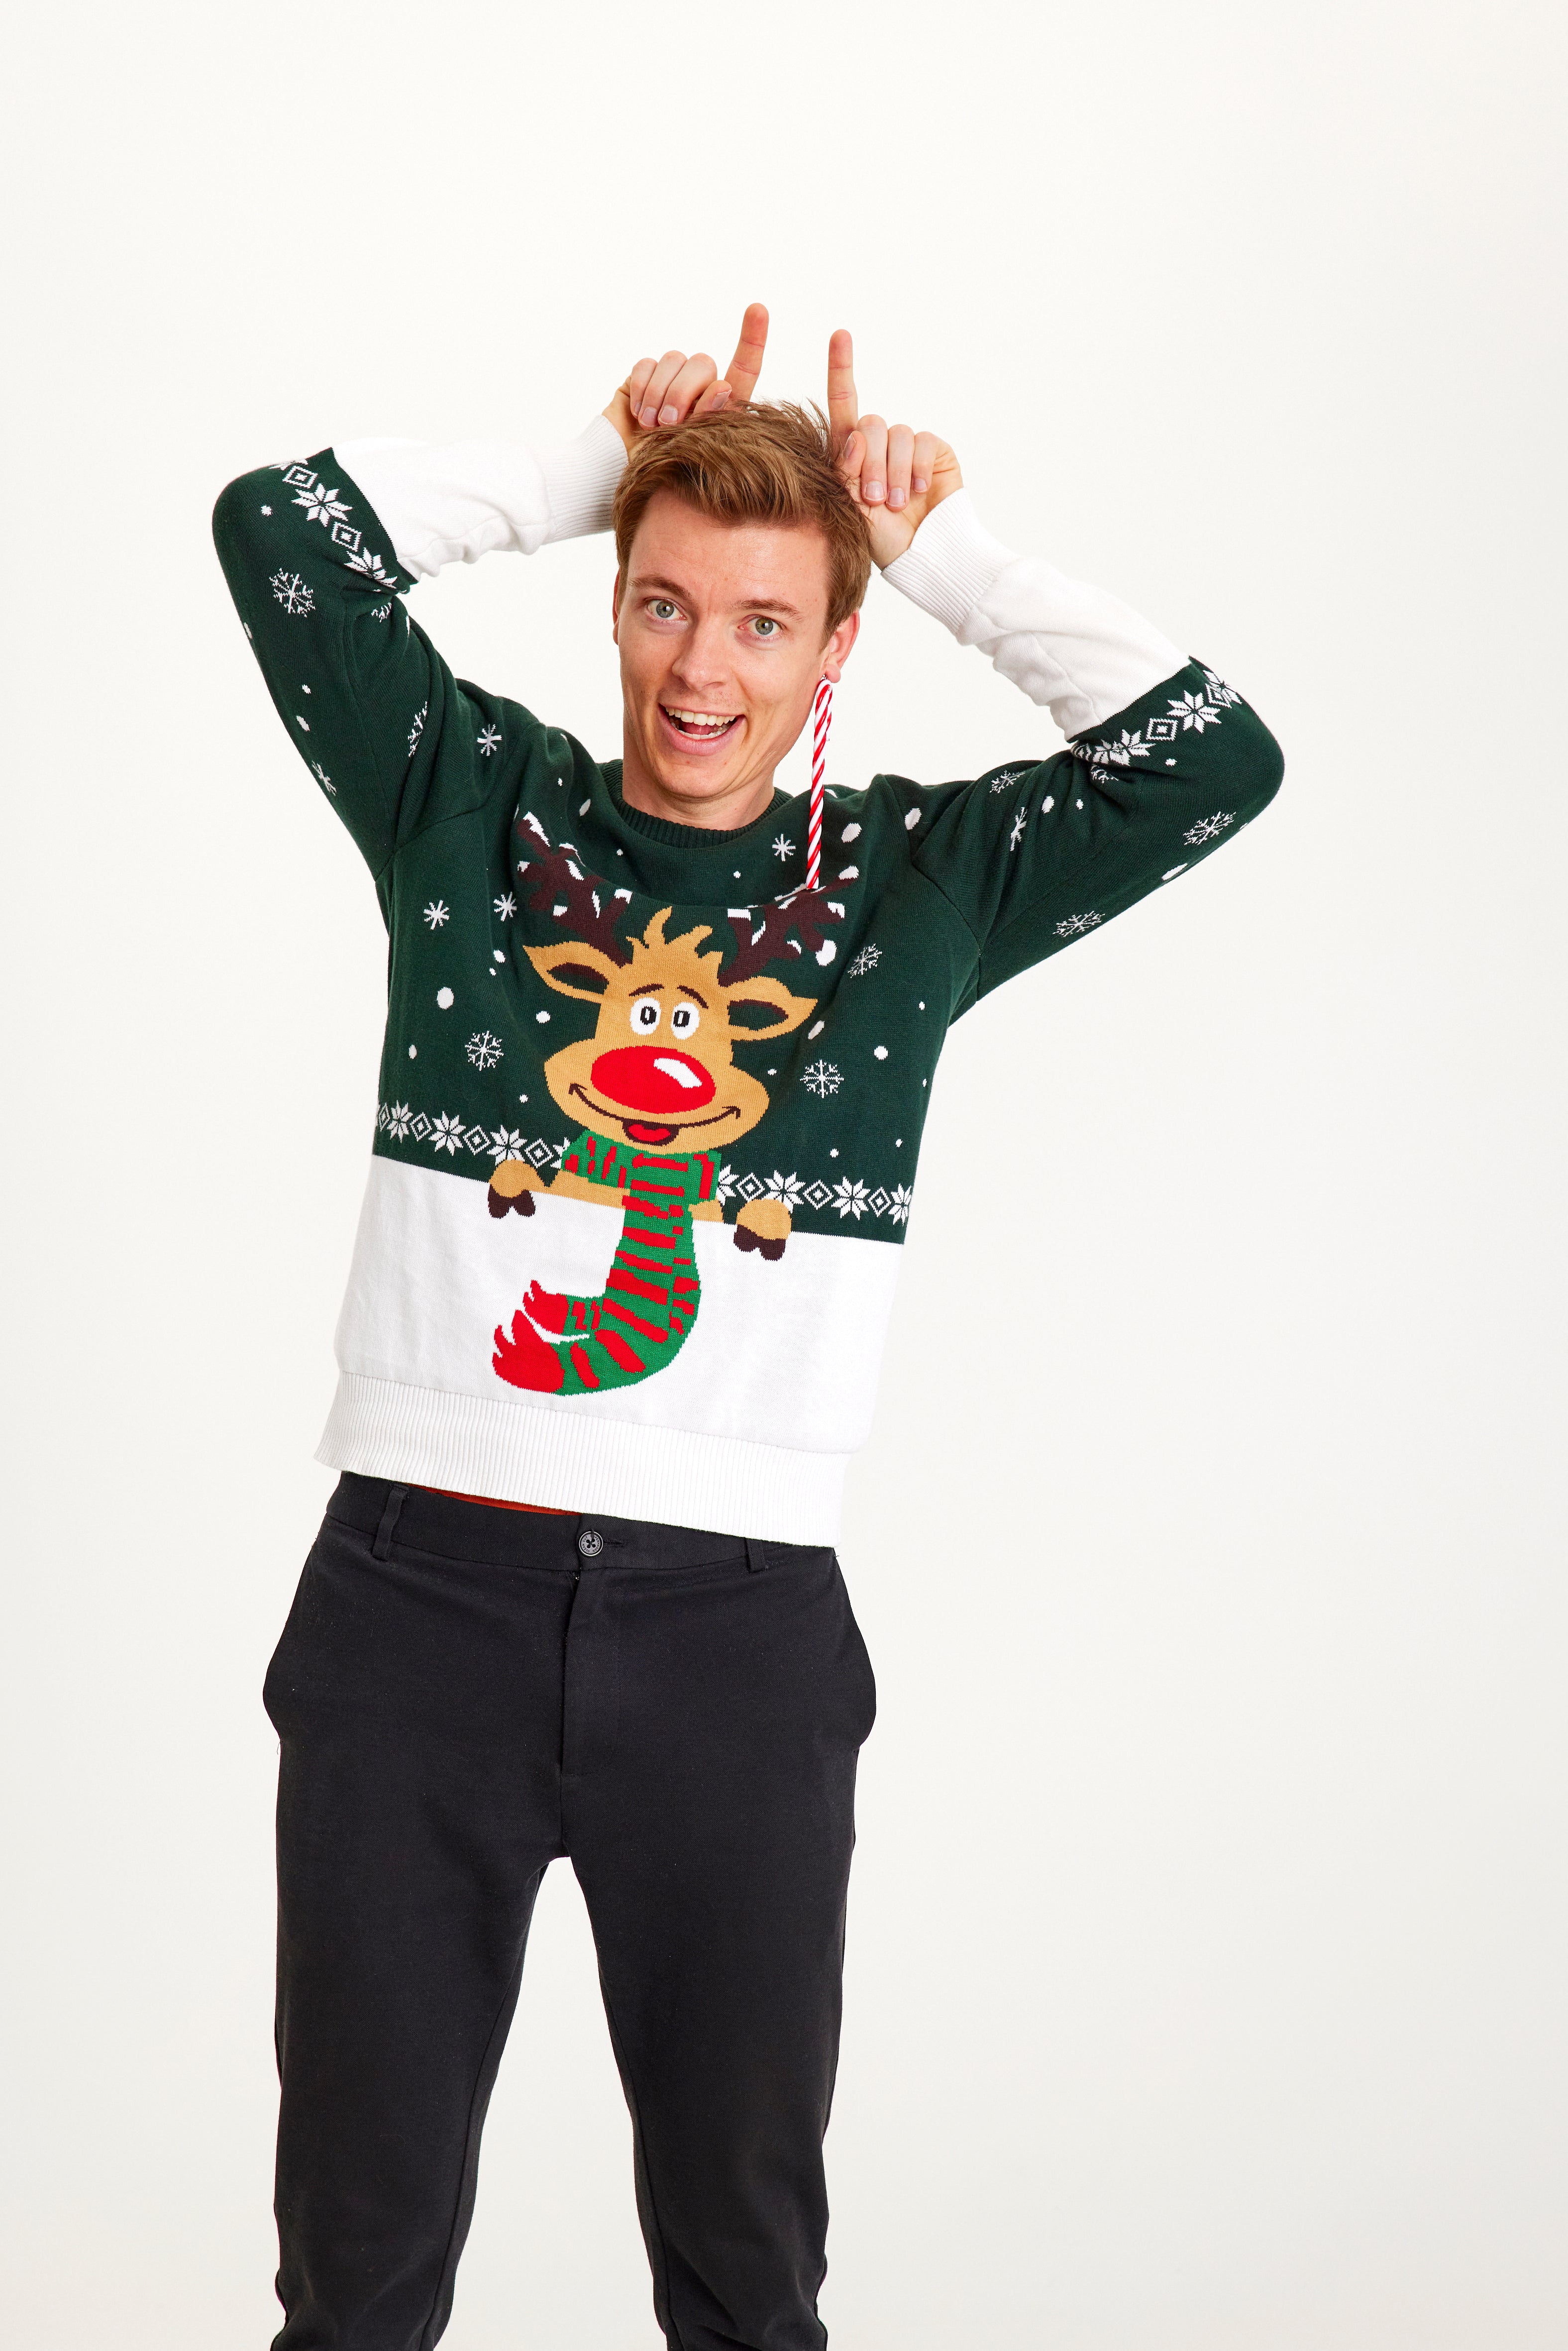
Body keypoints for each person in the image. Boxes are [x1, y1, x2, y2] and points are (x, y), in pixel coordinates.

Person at [213, 303, 1283, 2351]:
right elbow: (278, 533)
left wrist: (940, 546)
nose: (702, 668)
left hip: (738, 1635)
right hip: (412, 1604)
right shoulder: (469, 802)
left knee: (745, 2277)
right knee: (355, 2277)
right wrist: (582, 466)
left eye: (765, 622)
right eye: (663, 603)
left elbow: (1212, 761)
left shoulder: (914, 884)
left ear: (831, 647)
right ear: (614, 604)